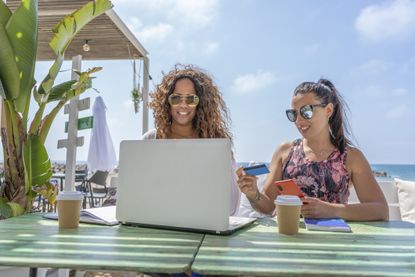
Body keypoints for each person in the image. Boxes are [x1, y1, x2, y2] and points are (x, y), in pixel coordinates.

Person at [236, 78, 389, 221]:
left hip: (335, 243)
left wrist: (332, 210)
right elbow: (269, 207)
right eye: (293, 113)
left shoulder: (351, 157)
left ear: (328, 110)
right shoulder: (284, 152)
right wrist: (252, 193)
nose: (298, 120)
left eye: (306, 111)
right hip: (289, 239)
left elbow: (381, 210)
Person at [142, 63, 241, 216]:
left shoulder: (215, 143)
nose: (183, 104)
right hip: (157, 219)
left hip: (202, 222)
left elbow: (231, 208)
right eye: (176, 98)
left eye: (191, 99)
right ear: (167, 102)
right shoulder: (151, 139)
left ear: (200, 102)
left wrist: (227, 163)